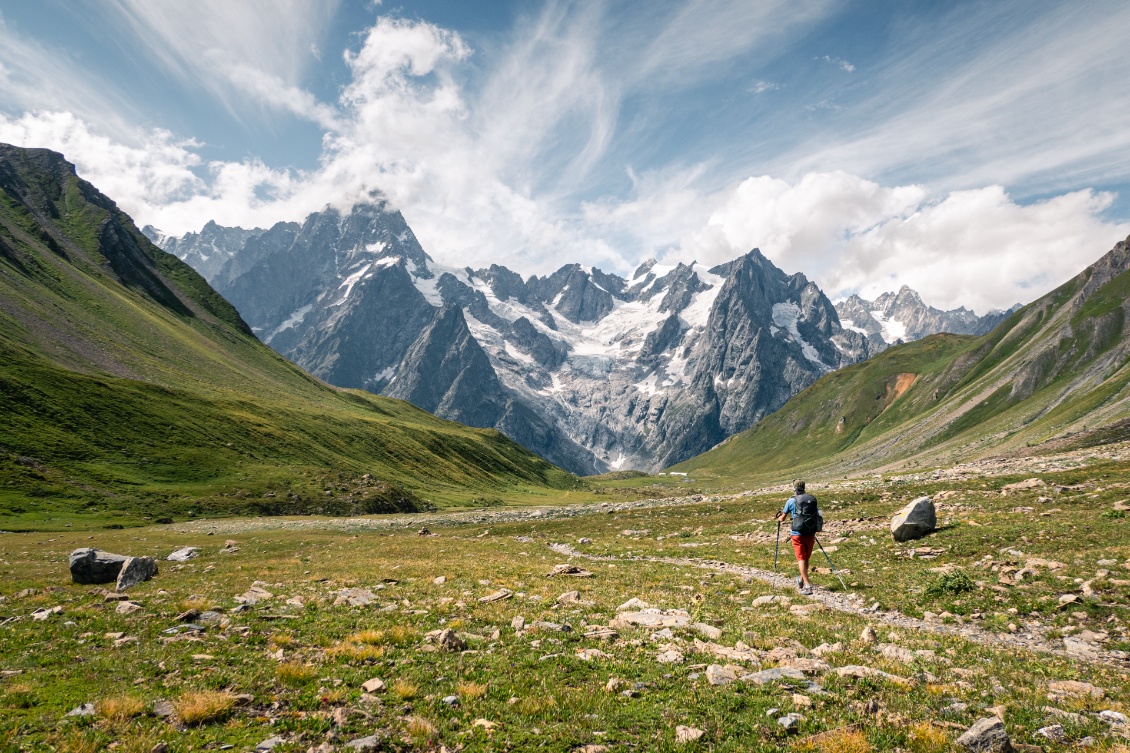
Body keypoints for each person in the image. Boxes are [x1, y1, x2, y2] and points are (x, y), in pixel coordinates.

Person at [776, 479, 819, 595]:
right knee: (806, 558)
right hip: (810, 533)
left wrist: (779, 518)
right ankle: (801, 580)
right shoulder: (811, 500)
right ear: (804, 487)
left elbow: (783, 518)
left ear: (794, 488)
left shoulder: (791, 501)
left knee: (801, 558)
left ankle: (807, 586)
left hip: (797, 534)